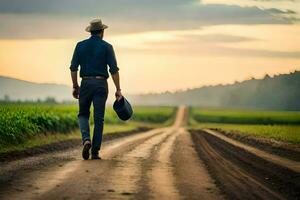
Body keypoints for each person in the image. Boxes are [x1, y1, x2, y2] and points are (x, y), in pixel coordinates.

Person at [70, 19, 123, 160]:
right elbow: (114, 70)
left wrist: (75, 86)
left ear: (91, 31)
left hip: (86, 83)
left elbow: (73, 68)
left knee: (83, 114)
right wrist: (118, 89)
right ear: (102, 32)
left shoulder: (80, 46)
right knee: (99, 119)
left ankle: (86, 139)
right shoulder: (107, 47)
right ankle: (95, 152)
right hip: (101, 84)